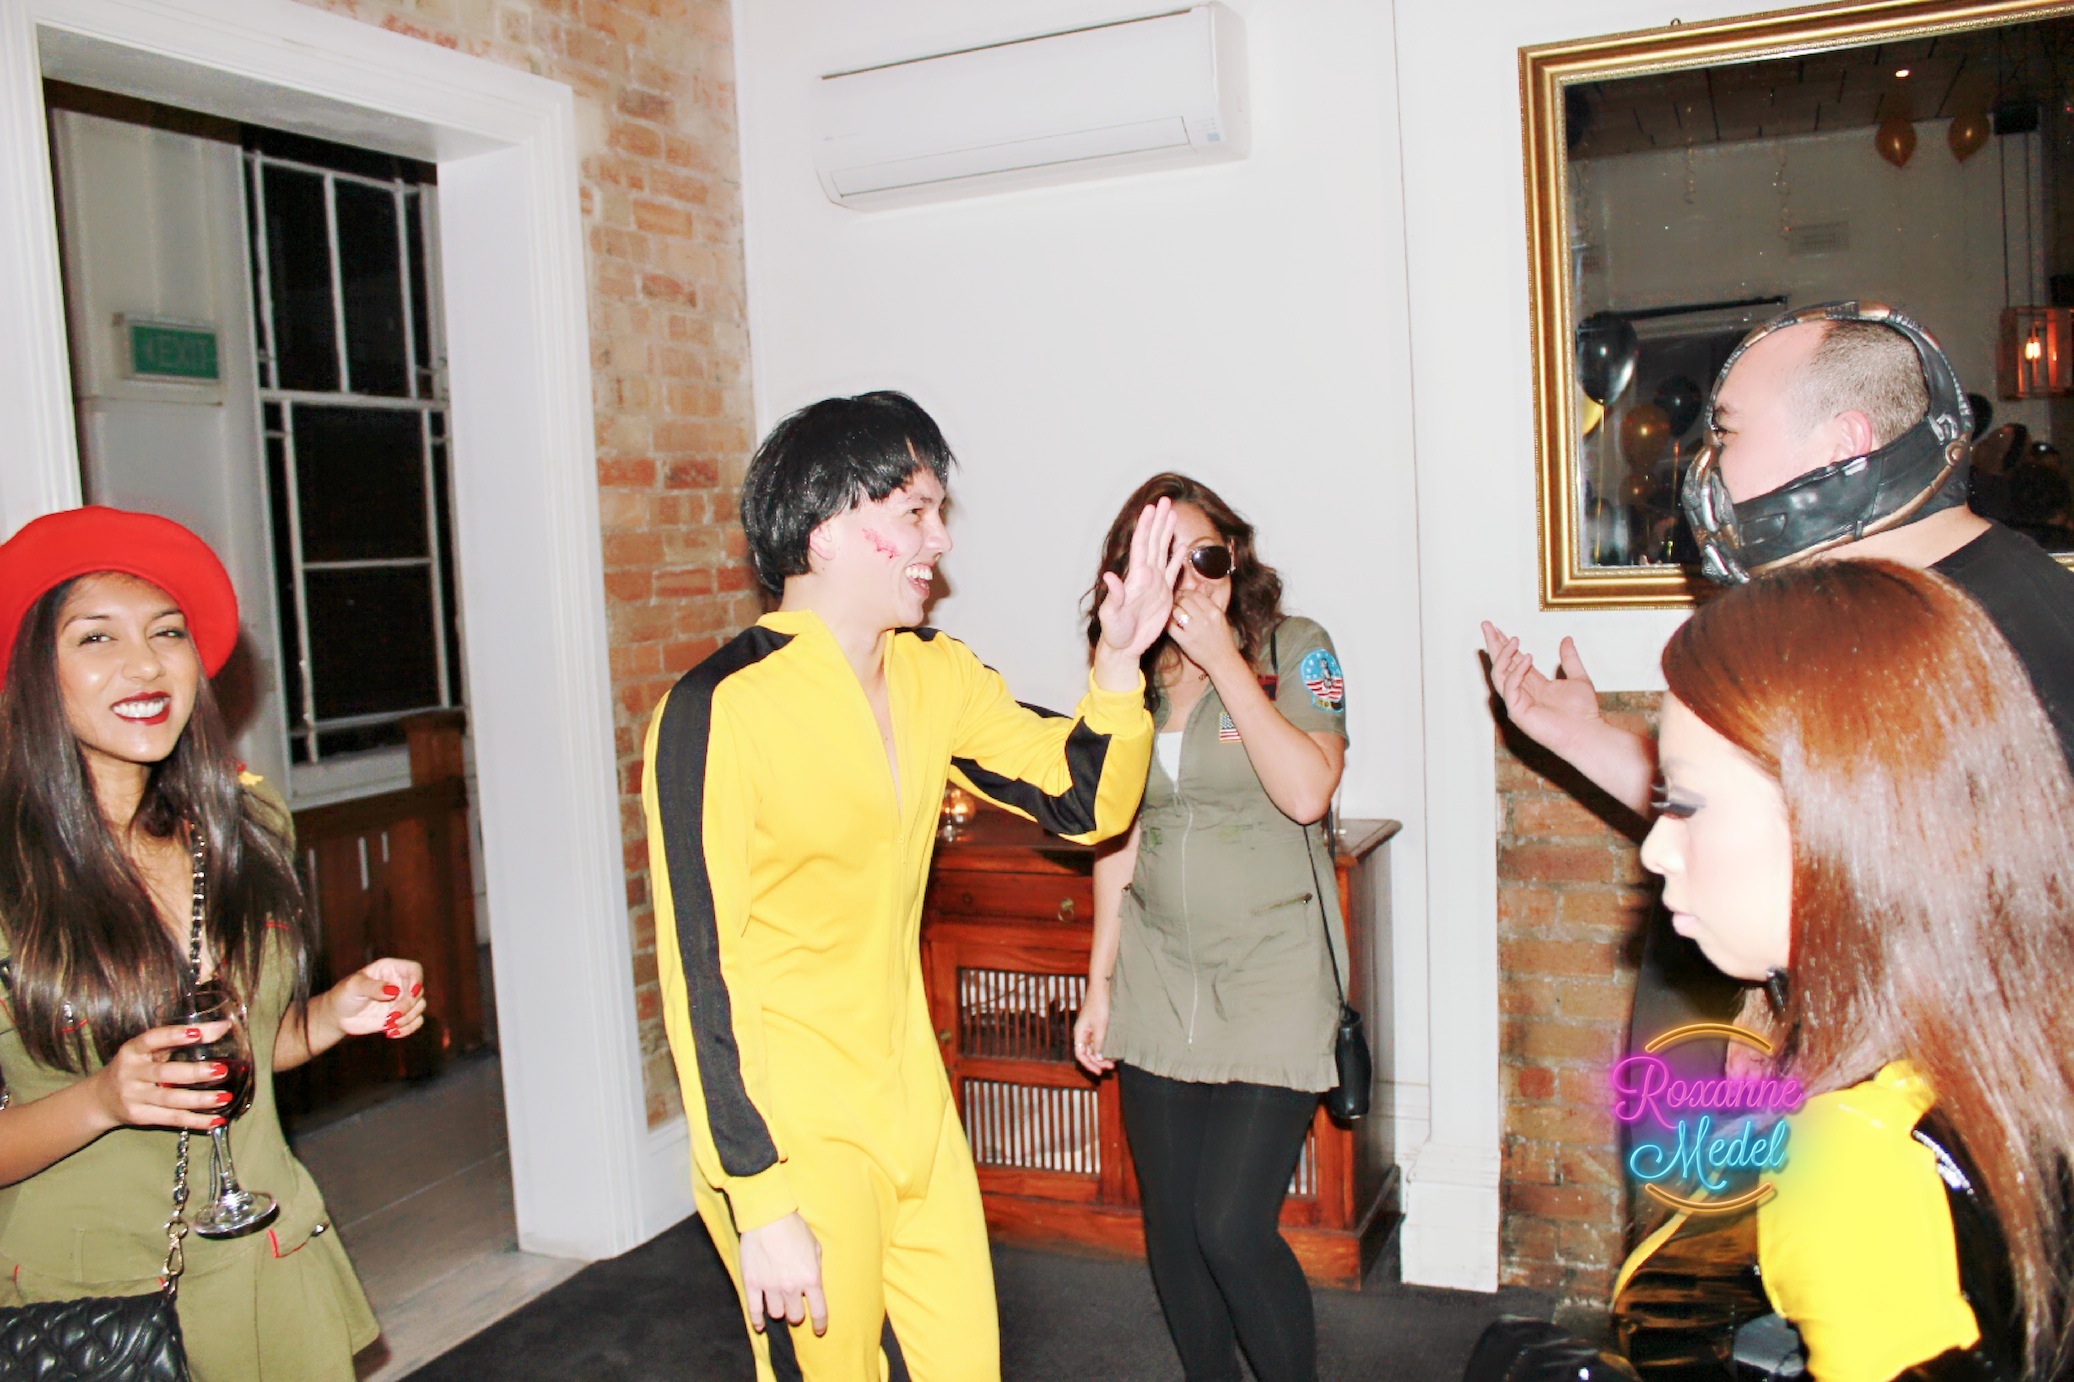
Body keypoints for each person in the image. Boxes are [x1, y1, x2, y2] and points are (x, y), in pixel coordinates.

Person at [641, 392, 1175, 1382]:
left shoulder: (937, 673)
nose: (941, 538)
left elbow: (1084, 800)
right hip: (792, 1128)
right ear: (825, 527)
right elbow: (699, 976)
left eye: (940, 511)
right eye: (915, 511)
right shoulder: (716, 708)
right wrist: (759, 1198)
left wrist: (1116, 661)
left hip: (913, 1106)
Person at [1482, 302, 2074, 1059]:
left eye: (1727, 434)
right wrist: (1579, 735)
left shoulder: (1942, 646)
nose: (1709, 467)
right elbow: (1783, 821)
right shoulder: (1959, 591)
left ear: (1844, 446)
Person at [0, 506, 428, 1380]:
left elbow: (243, 1053)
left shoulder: (244, 824)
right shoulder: (12, 878)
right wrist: (103, 1100)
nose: (146, 663)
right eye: (96, 638)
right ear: (32, 672)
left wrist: (330, 1015)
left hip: (269, 1264)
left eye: (167, 632)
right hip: (97, 1300)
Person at [1623, 559, 2074, 1379]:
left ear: (1839, 817)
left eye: (1684, 804)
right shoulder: (2019, 1026)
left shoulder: (1854, 1159)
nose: (1656, 848)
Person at [1070, 474, 1349, 1382]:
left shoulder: (1296, 649)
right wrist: (1099, 984)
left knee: (1228, 1226)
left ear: (1237, 559)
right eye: (1167, 560)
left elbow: (1307, 793)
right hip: (1159, 973)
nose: (1192, 577)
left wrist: (1227, 661)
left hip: (1272, 973)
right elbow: (1115, 833)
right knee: (1173, 1228)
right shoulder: (1127, 673)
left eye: (1208, 556)